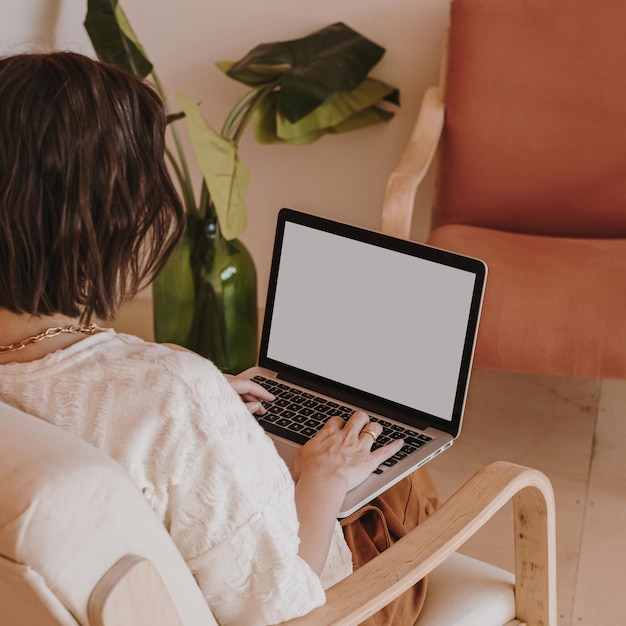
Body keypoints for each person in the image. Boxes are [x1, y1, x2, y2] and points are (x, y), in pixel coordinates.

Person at [0, 51, 438, 625]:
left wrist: (193, 407)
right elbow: (283, 611)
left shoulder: (165, 394)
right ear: (100, 222)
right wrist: (321, 481)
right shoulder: (173, 396)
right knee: (404, 479)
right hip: (332, 609)